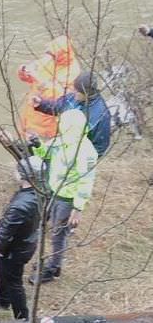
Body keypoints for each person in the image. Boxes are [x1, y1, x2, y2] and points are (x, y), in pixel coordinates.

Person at [30, 109, 98, 284]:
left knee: (58, 234)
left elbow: (86, 181)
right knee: (48, 228)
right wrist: (37, 144)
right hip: (54, 192)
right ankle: (49, 261)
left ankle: (54, 269)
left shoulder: (85, 151)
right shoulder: (62, 141)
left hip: (67, 200)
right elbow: (45, 153)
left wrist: (78, 208)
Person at [0, 156, 43, 320]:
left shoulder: (20, 205)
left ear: (23, 175)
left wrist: (1, 249)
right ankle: (2, 300)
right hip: (27, 242)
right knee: (4, 272)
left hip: (15, 249)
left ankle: (23, 319)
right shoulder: (39, 193)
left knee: (14, 282)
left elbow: (6, 234)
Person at [31, 71, 111, 157]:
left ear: (86, 93)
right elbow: (58, 106)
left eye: (77, 91)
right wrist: (41, 104)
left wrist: (85, 160)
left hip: (80, 156)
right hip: (63, 146)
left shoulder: (102, 115)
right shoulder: (73, 97)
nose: (74, 92)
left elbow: (100, 146)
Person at [17, 35, 81, 141]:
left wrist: (39, 79)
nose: (49, 55)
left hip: (46, 122)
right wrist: (24, 70)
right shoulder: (47, 60)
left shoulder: (73, 72)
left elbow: (63, 98)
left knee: (39, 150)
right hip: (30, 114)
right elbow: (27, 77)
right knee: (23, 142)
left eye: (53, 53)